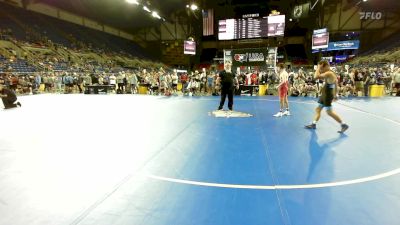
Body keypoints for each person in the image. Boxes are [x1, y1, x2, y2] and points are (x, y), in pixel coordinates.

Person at [305, 60, 349, 133]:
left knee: (329, 112)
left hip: (328, 94)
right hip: (326, 93)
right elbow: (336, 83)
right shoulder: (331, 73)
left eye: (322, 68)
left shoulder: (329, 73)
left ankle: (343, 124)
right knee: (318, 109)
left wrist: (318, 68)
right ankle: (314, 124)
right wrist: (336, 94)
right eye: (321, 68)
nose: (321, 70)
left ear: (326, 66)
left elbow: (315, 77)